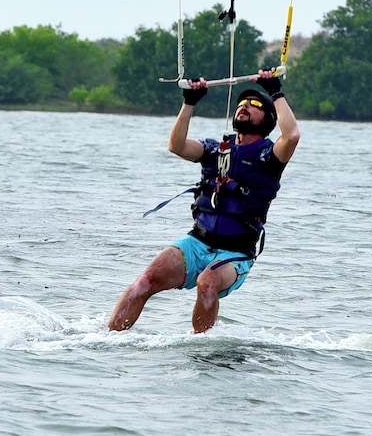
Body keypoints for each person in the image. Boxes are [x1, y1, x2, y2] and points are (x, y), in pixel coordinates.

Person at [108, 69, 300, 333]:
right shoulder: (214, 149)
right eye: (241, 103)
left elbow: (291, 136)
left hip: (236, 252)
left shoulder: (269, 157)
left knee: (207, 282)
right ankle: (108, 340)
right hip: (199, 241)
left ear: (267, 119)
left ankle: (201, 349)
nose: (244, 106)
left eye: (254, 105)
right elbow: (177, 146)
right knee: (146, 280)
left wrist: (275, 92)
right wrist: (189, 102)